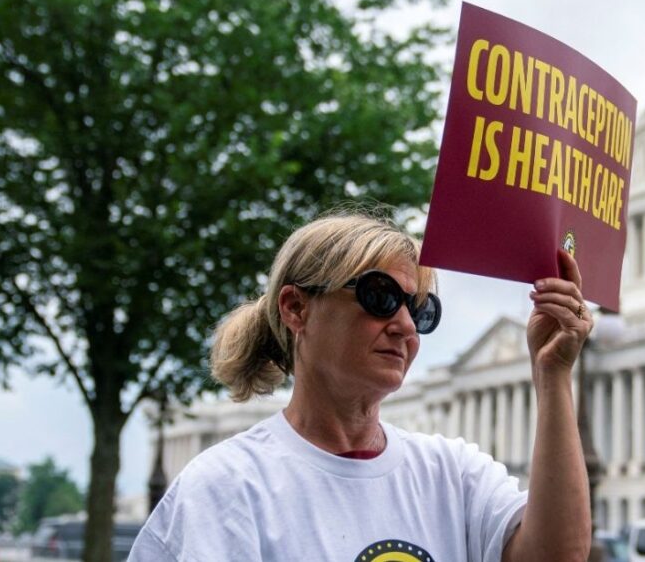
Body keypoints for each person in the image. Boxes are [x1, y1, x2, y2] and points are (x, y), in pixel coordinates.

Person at [129, 211, 594, 561]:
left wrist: (551, 377)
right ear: (296, 308)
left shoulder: (451, 473)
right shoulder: (228, 487)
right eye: (380, 297)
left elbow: (558, 555)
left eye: (419, 309)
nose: (406, 326)